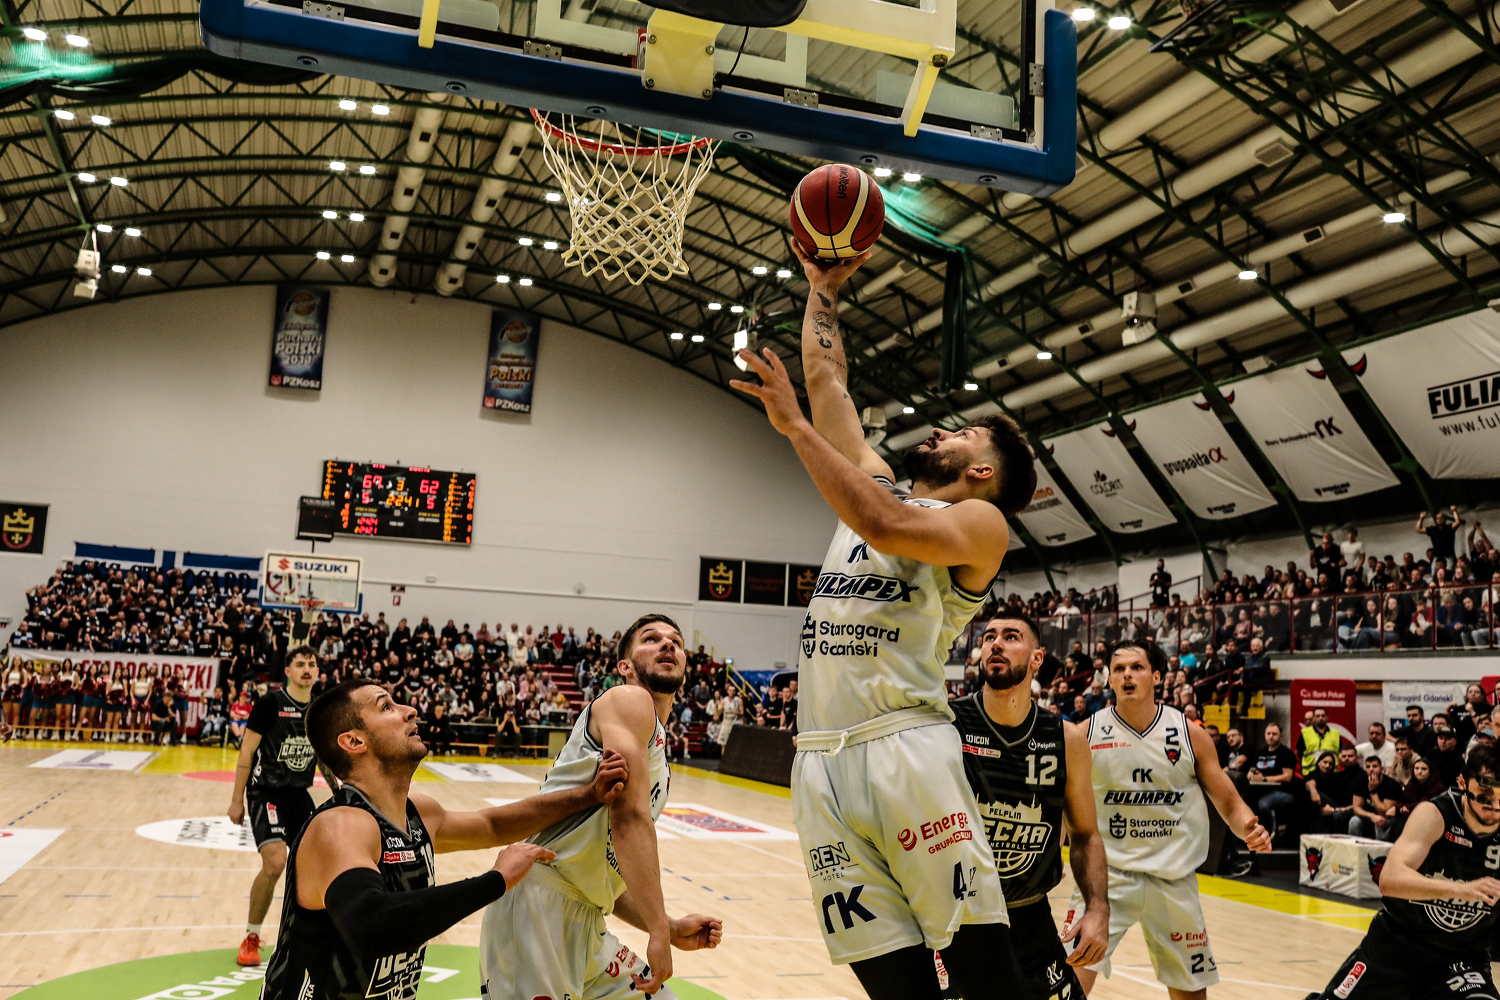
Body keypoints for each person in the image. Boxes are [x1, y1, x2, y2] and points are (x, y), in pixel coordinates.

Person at [730, 243, 1037, 999]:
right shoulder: (876, 483)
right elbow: (827, 382)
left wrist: (796, 430)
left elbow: (886, 525)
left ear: (983, 471)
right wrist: (822, 289)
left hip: (905, 748)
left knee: (981, 971)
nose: (940, 433)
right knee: (893, 982)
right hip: (819, 761)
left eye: (962, 435)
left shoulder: (980, 525)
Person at [258, 678, 630, 1000]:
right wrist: (495, 881)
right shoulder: (339, 826)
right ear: (354, 741)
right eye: (386, 706)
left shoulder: (419, 813)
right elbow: (369, 927)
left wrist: (588, 795)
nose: (409, 711)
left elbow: (492, 825)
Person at [479, 615, 722, 1000]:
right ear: (625, 667)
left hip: (586, 917)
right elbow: (629, 818)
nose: (667, 644)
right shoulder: (629, 700)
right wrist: (659, 931)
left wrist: (670, 926)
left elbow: (604, 880)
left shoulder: (657, 748)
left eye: (676, 641)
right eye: (651, 638)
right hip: (537, 904)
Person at [1064, 640, 1270, 1000]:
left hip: (1173, 878)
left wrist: (1249, 828)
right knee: (1065, 980)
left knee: (1190, 993)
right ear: (1109, 680)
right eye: (1119, 669)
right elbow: (1065, 806)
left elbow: (1229, 802)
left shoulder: (1189, 734)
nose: (1127, 675)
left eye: (1137, 667)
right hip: (1105, 878)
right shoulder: (1085, 734)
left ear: (1157, 676)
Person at [948, 614, 1109, 1000]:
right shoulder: (947, 723)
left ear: (1037, 658)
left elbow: (1085, 835)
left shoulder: (1066, 739)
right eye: (989, 637)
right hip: (955, 917)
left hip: (1030, 917)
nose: (996, 643)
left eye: (1011, 636)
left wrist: (1097, 909)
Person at [1308, 745, 1500, 1000]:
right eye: (1485, 795)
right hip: (1398, 946)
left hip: (1461, 959)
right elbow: (1390, 879)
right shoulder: (1435, 814)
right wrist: (1460, 890)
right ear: (1463, 783)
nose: (1495, 805)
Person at [227, 646, 339, 966]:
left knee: (318, 864)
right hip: (265, 792)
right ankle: (251, 937)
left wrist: (340, 792)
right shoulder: (269, 705)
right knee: (276, 862)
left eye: (312, 664)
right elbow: (247, 753)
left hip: (298, 793)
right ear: (288, 672)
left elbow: (322, 758)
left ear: (317, 672)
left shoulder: (319, 710)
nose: (307, 668)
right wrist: (236, 800)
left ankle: (310, 936)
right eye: (300, 664)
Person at [1349, 756, 1403, 840]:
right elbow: (1356, 809)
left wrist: (1373, 791)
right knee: (1354, 821)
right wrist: (1372, 816)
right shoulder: (1361, 781)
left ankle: (1380, 848)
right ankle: (1355, 846)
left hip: (1388, 818)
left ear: (1382, 768)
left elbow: (1385, 813)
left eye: (1374, 766)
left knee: (1380, 823)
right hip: (1369, 817)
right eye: (1368, 767)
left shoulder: (1392, 785)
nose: (1371, 769)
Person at [1295, 707, 1344, 777]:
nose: (1321, 718)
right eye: (1318, 716)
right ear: (1313, 718)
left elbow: (1341, 752)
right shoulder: (1305, 733)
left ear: (1327, 717)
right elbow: (1299, 752)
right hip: (1310, 773)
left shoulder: (1335, 733)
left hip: (1332, 773)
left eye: (1323, 716)